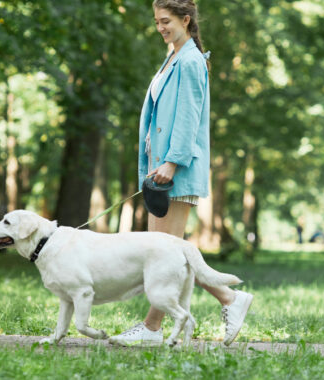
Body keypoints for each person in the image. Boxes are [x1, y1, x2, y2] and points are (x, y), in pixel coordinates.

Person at [108, 0, 253, 347]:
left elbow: (188, 118)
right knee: (166, 252)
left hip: (176, 170)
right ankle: (224, 301)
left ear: (185, 20)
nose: (160, 27)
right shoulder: (174, 56)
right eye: (157, 22)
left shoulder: (190, 61)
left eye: (166, 21)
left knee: (163, 252)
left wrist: (172, 162)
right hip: (162, 169)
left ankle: (154, 328)